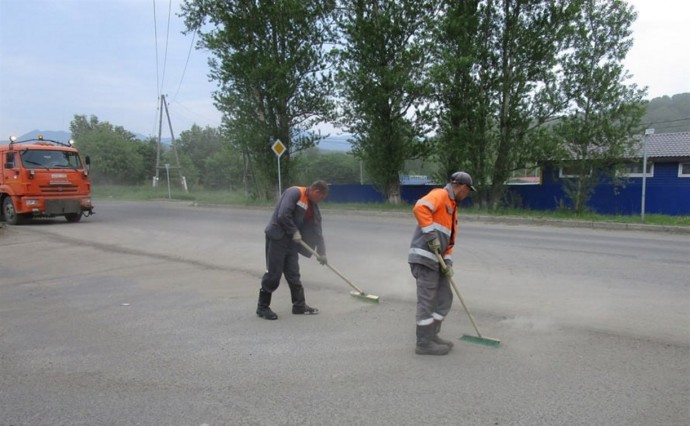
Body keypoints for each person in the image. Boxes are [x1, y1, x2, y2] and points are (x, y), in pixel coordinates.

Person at [408, 171, 476, 355]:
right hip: (424, 258)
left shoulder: (452, 207)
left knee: (445, 298)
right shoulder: (441, 194)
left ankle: (431, 335)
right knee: (427, 301)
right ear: (462, 187)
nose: (467, 195)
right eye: (468, 191)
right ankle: (423, 343)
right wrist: (430, 236)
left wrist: (448, 263)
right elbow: (420, 208)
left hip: (437, 262)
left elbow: (449, 241)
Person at [256, 180, 329, 320]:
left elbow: (317, 230)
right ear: (316, 192)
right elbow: (283, 215)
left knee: (294, 274)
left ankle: (299, 306)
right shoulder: (294, 192)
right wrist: (294, 230)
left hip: (292, 242)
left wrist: (322, 253)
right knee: (274, 273)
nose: (321, 201)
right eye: (321, 197)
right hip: (277, 238)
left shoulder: (313, 206)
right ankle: (262, 307)